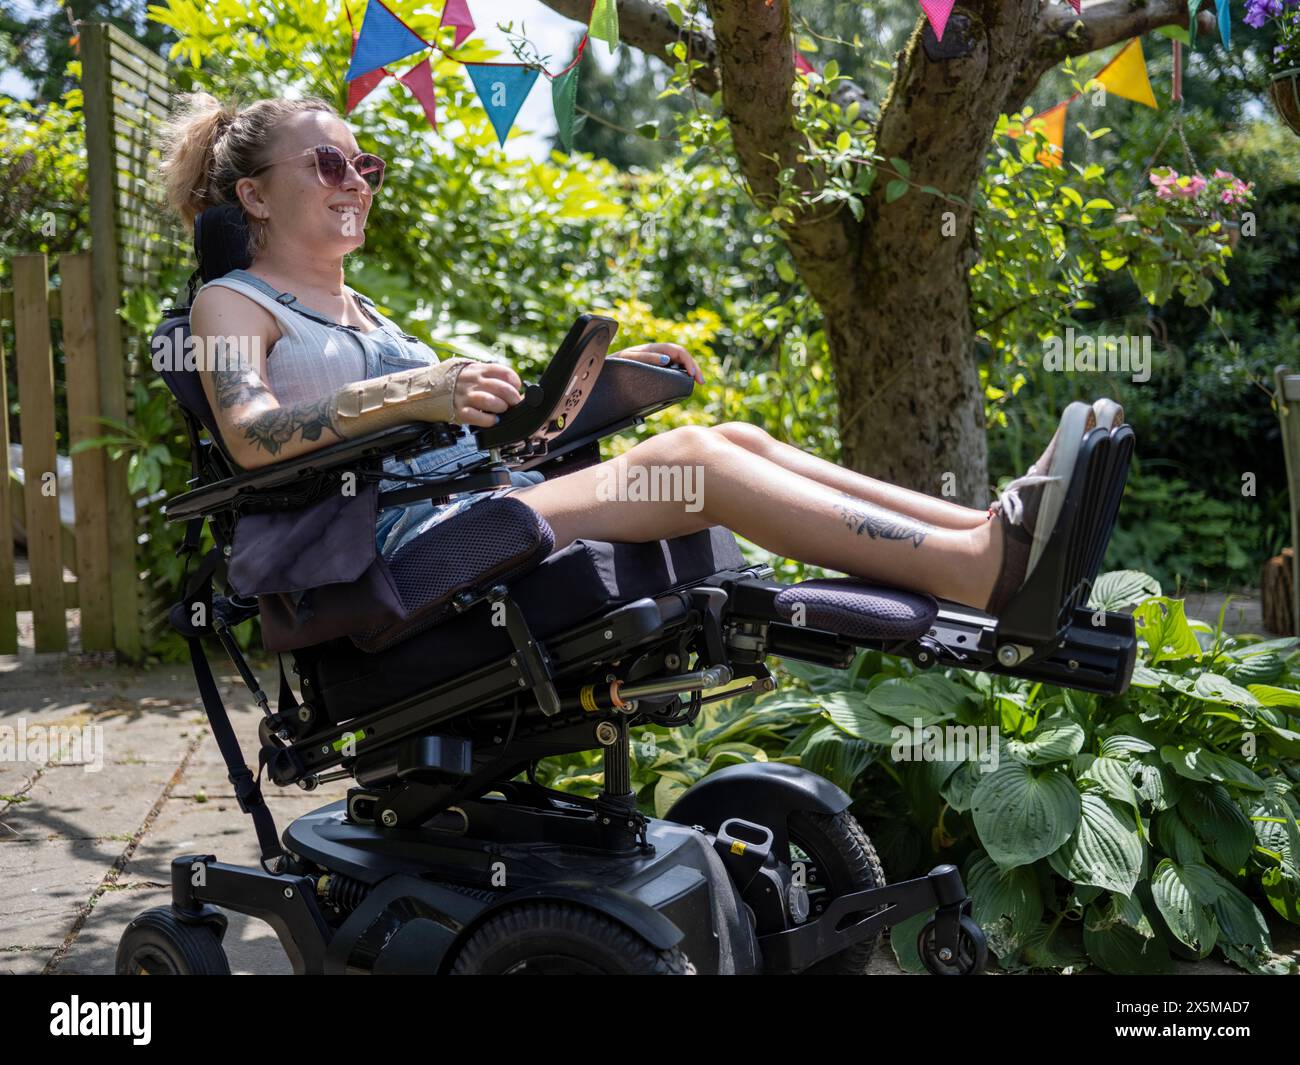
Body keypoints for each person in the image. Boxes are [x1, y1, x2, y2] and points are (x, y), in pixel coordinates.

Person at [161, 93, 1121, 617]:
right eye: (329, 164)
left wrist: (594, 397)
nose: (356, 181)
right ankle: (979, 569)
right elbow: (250, 437)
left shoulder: (366, 311)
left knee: (726, 430)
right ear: (252, 197)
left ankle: (986, 529)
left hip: (467, 499)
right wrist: (423, 387)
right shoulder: (230, 303)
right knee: (693, 466)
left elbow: (468, 432)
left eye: (365, 164)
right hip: (391, 548)